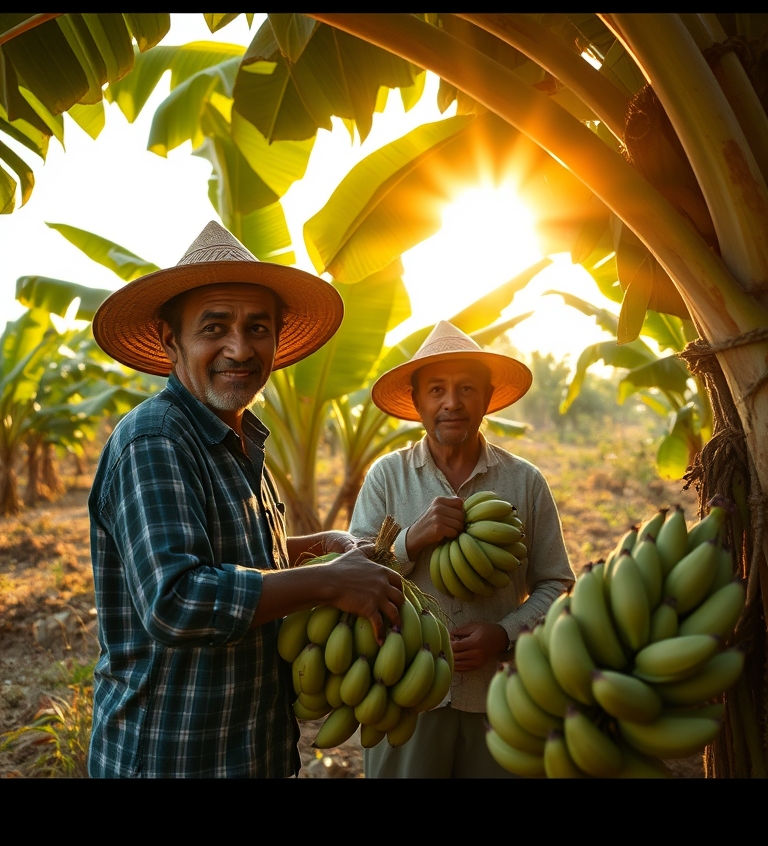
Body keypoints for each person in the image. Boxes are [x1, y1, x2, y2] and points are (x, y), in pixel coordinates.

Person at [87, 221, 404, 778]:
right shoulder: (156, 438)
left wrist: (321, 547)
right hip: (173, 756)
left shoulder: (239, 439)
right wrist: (329, 582)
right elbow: (176, 599)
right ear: (171, 341)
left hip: (249, 749)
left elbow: (237, 556)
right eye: (214, 327)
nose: (239, 348)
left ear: (277, 339)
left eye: (258, 327)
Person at [350, 320, 575, 778]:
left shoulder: (525, 481)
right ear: (417, 402)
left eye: (466, 388)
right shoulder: (387, 477)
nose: (451, 402)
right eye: (436, 390)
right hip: (405, 691)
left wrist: (504, 635)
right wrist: (412, 539)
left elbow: (556, 582)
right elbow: (353, 576)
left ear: (487, 399)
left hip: (499, 696)